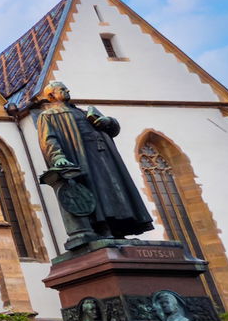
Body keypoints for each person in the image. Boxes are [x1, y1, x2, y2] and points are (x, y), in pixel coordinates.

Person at [36, 81, 154, 246]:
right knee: (96, 192)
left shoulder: (84, 113)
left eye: (66, 88)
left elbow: (112, 129)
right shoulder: (48, 115)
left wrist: (107, 121)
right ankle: (102, 228)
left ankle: (119, 229)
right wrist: (57, 157)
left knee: (114, 190)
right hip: (82, 158)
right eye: (62, 89)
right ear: (51, 95)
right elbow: (49, 140)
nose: (67, 90)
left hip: (105, 157)